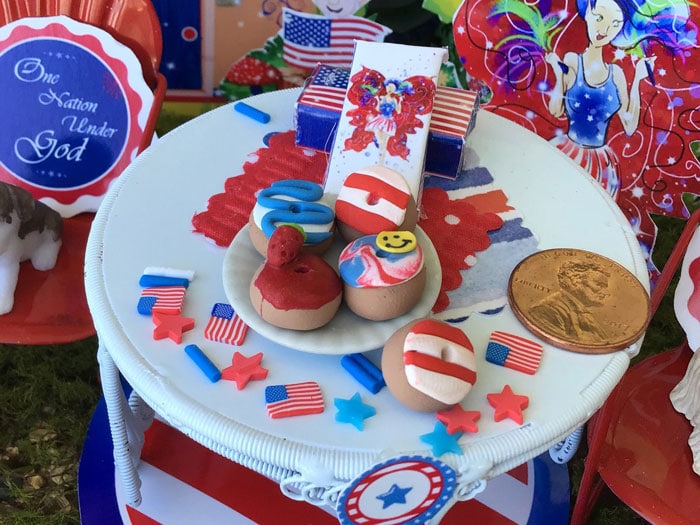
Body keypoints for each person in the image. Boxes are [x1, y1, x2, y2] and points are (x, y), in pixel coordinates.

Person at [545, 0, 656, 199]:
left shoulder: (617, 74)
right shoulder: (572, 61)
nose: (604, 30)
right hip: (566, 151)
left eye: (615, 24)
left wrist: (638, 80)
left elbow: (630, 126)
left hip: (600, 163)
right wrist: (556, 71)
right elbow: (556, 110)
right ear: (586, 12)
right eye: (599, 17)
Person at [528, 260, 611, 345]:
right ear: (575, 281)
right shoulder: (547, 310)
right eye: (599, 285)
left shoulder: (586, 315)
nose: (606, 293)